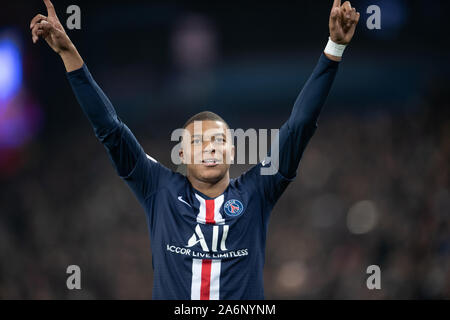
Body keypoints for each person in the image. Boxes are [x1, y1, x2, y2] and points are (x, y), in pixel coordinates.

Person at [31, 0, 360, 299]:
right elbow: (110, 128)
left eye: (218, 140)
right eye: (197, 141)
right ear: (182, 155)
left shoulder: (258, 190)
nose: (209, 148)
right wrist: (69, 55)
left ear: (232, 151)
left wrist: (334, 49)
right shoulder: (158, 187)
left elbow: (299, 125)